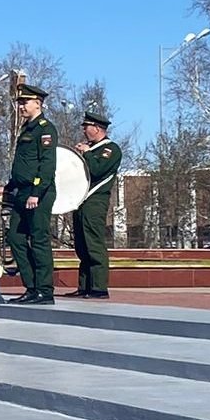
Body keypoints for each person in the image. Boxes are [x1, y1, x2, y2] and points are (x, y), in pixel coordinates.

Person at [0, 84, 58, 304]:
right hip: (22, 192)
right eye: (20, 102)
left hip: (37, 193)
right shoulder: (26, 129)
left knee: (39, 239)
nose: (21, 106)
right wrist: (8, 185)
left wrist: (37, 192)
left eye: (25, 102)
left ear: (38, 104)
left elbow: (46, 165)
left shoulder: (45, 129)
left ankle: (44, 290)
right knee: (15, 237)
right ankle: (31, 286)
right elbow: (23, 164)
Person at [72, 110, 123, 298]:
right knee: (82, 245)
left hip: (95, 201)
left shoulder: (110, 149)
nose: (84, 130)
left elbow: (97, 170)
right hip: (81, 201)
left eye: (87, 126)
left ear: (97, 128)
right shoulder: (92, 149)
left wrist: (87, 154)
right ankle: (84, 286)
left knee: (94, 244)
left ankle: (98, 287)